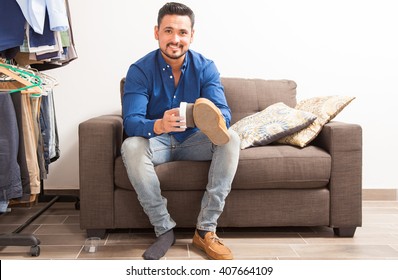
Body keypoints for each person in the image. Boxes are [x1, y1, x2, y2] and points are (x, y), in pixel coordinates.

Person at [121, 2, 240, 260]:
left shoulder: (206, 67)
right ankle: (164, 229)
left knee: (231, 139)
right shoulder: (139, 71)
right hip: (158, 143)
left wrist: (205, 118)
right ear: (157, 33)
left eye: (182, 32)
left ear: (192, 35)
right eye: (168, 31)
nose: (175, 39)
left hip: (194, 141)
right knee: (130, 146)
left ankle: (205, 230)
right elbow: (131, 122)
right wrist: (158, 125)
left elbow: (225, 115)